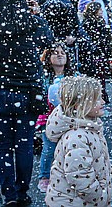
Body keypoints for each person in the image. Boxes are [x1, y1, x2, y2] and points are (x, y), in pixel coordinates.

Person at [0, 0, 53, 206]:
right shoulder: (33, 23)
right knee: (24, 144)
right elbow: (47, 40)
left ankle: (8, 195)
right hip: (26, 93)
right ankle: (22, 192)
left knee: (2, 147)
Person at [45, 76, 112, 207]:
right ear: (79, 104)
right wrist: (98, 196)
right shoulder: (77, 136)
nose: (103, 101)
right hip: (76, 202)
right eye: (98, 98)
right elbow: (79, 176)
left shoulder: (89, 127)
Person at [36, 42, 73, 193]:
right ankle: (44, 176)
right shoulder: (43, 77)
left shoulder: (73, 76)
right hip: (48, 117)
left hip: (69, 117)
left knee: (69, 147)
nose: (59, 55)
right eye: (55, 52)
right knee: (49, 148)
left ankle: (66, 174)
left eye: (62, 52)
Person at [81, 0, 112, 111]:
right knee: (98, 80)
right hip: (96, 55)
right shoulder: (93, 23)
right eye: (99, 9)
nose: (102, 11)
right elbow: (105, 40)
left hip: (96, 55)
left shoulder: (91, 23)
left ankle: (96, 103)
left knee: (98, 80)